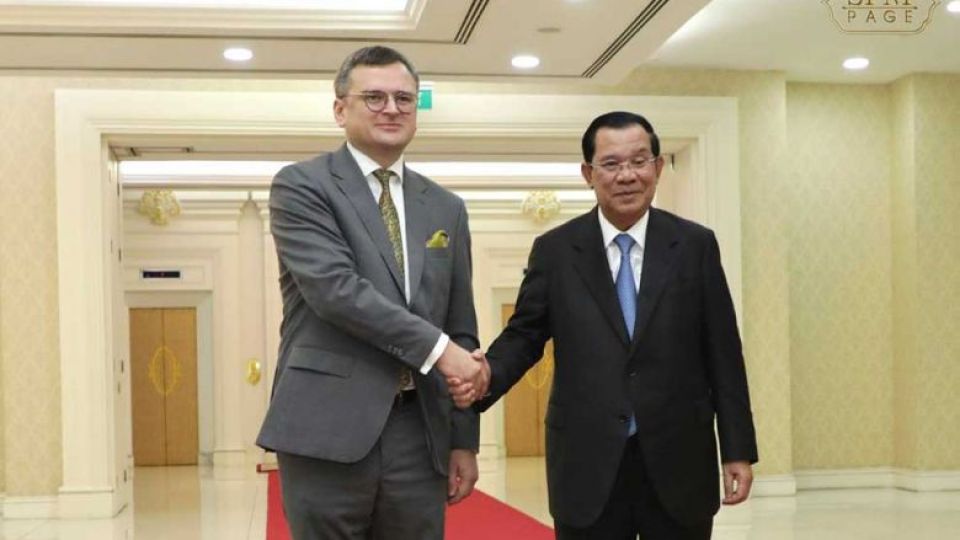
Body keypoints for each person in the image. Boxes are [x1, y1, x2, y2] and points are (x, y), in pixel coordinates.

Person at [454, 111, 759, 539]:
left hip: (679, 460)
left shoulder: (694, 245)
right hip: (586, 462)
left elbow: (723, 352)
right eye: (611, 164)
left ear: (657, 167)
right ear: (588, 173)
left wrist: (737, 449)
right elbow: (524, 336)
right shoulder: (556, 251)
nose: (627, 175)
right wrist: (484, 376)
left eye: (639, 161)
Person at [256, 45, 487, 540]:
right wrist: (441, 351)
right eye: (374, 97)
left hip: (418, 430)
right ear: (341, 109)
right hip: (326, 426)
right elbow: (335, 291)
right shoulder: (302, 186)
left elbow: (460, 323)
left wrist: (463, 439)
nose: (391, 109)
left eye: (405, 99)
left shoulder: (446, 207)